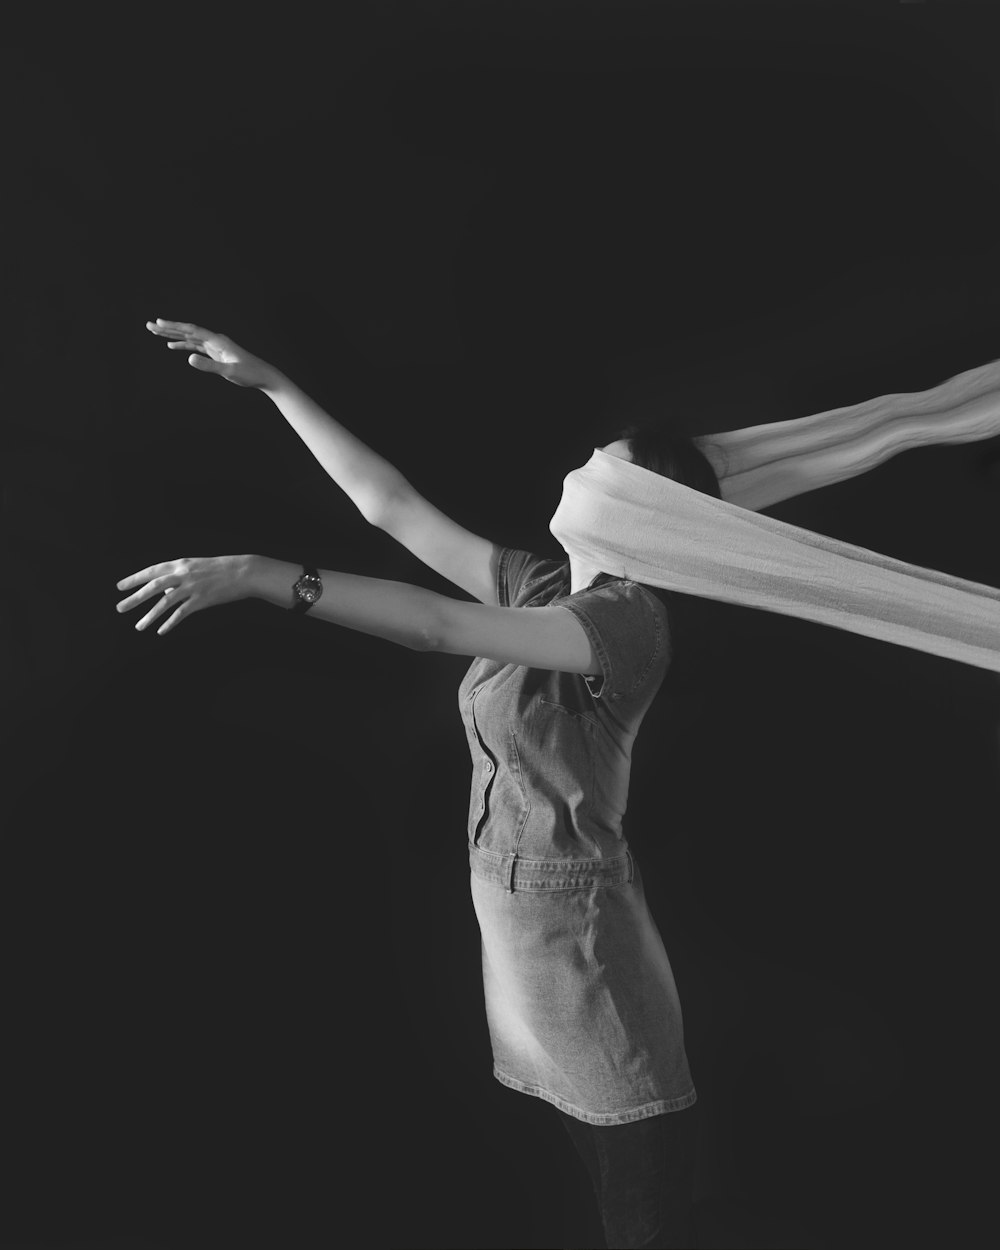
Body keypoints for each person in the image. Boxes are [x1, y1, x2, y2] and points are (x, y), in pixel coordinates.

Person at [118, 319, 715, 1248]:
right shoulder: (540, 584)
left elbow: (434, 627)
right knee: (602, 1173)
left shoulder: (629, 624)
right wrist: (273, 383)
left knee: (642, 1194)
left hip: (585, 948)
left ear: (646, 515)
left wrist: (259, 574)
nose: (580, 472)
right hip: (522, 938)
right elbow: (390, 507)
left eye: (606, 469)